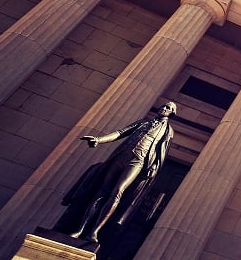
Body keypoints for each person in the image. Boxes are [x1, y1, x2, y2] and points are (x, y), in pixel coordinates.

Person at [57, 102, 176, 243]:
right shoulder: (144, 122)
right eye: (164, 106)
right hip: (120, 157)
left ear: (172, 113)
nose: (164, 108)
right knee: (101, 192)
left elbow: (161, 152)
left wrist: (153, 168)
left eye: (168, 108)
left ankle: (94, 232)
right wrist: (99, 140)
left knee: (118, 191)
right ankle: (80, 229)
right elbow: (120, 133)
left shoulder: (168, 131)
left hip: (138, 162)